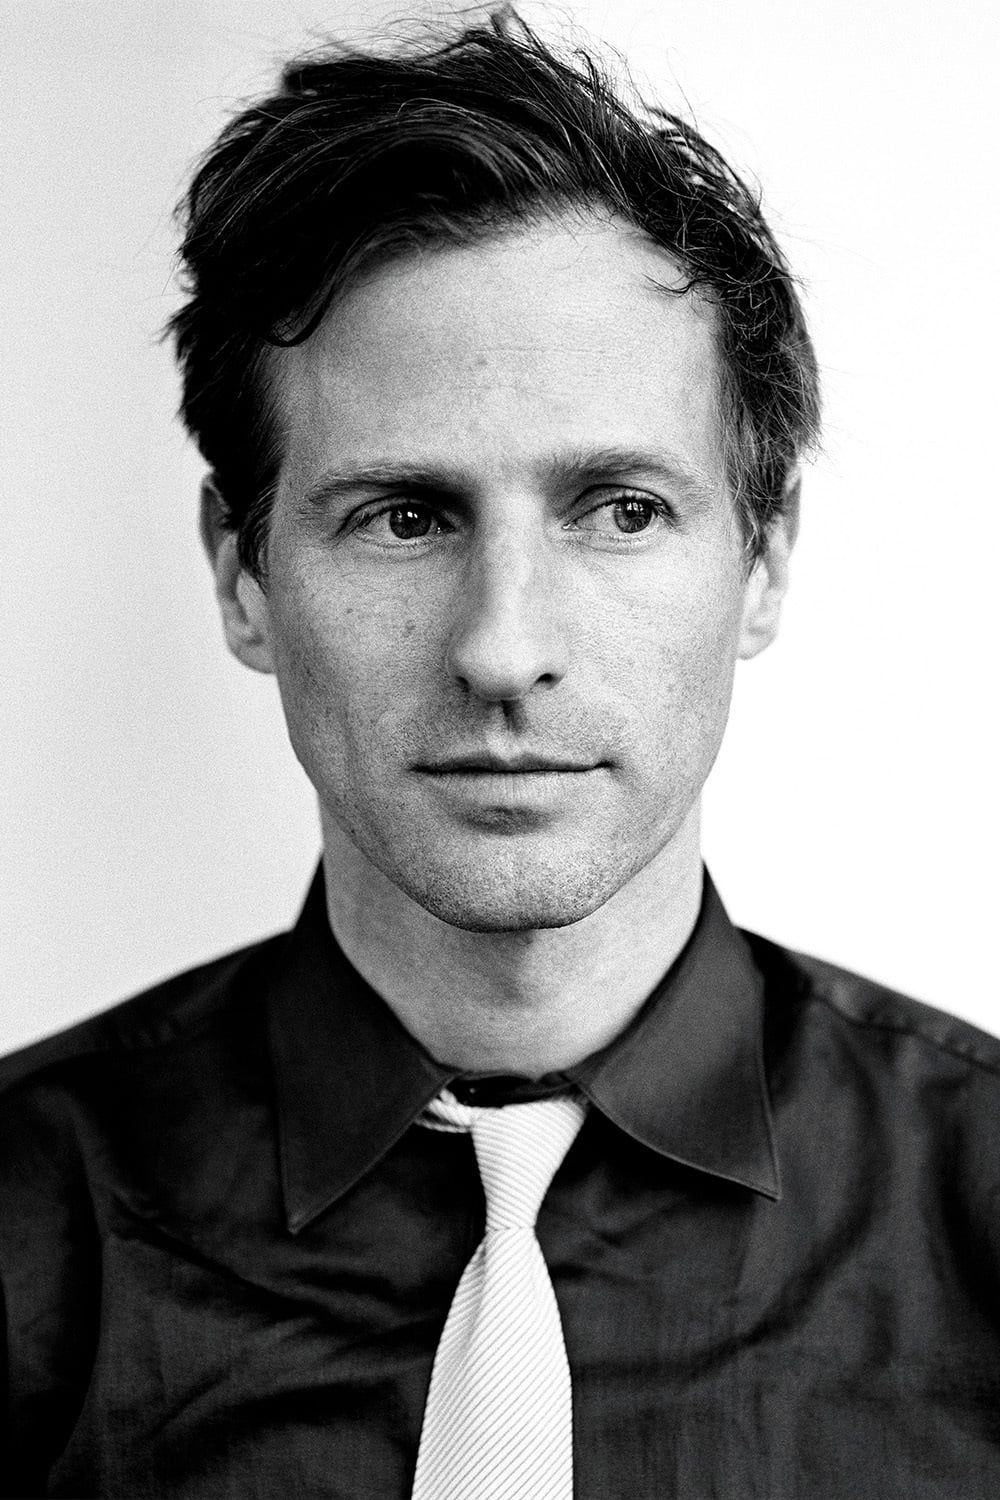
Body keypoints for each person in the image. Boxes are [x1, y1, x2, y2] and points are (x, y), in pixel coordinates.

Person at [2, 12, 999, 1499]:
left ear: (765, 561)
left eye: (621, 510)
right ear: (242, 575)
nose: (503, 646)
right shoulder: (22, 1229)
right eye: (404, 517)